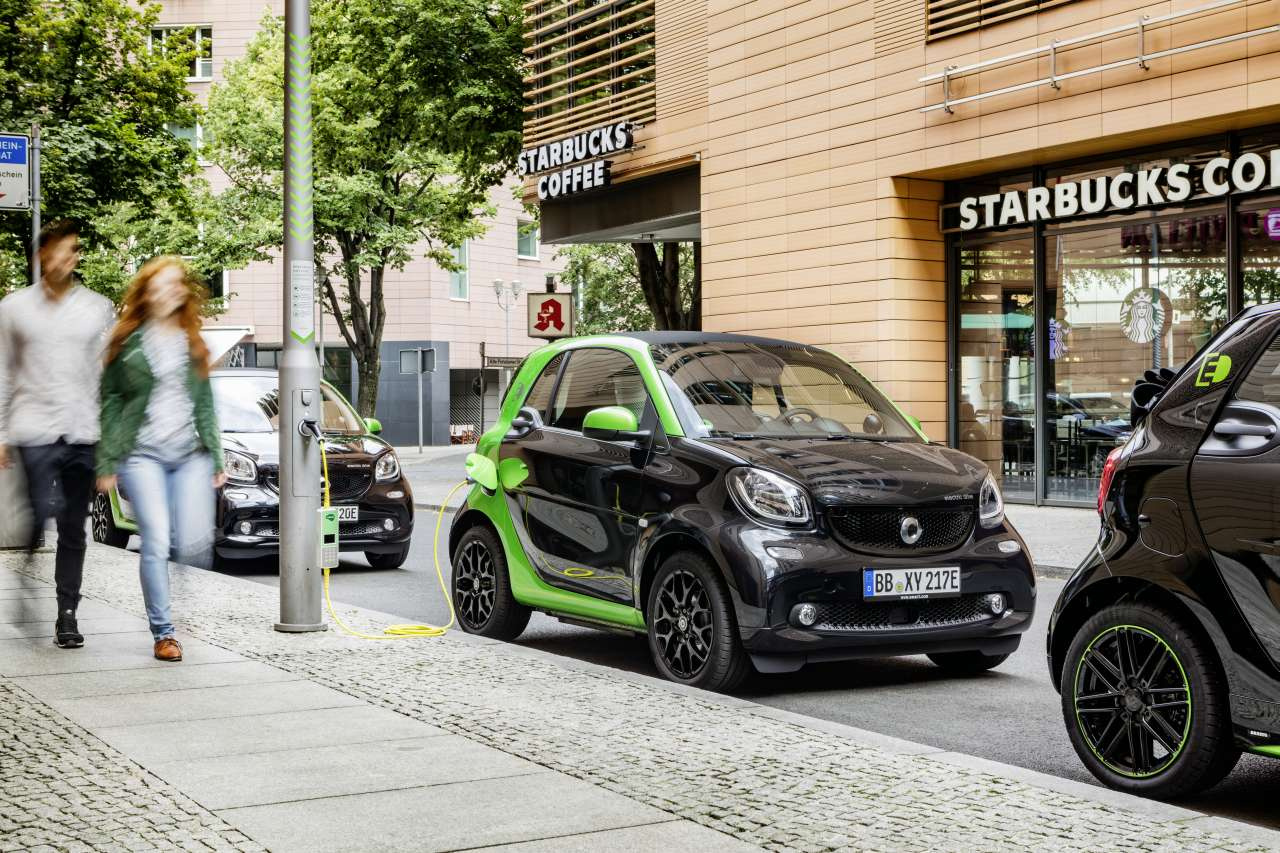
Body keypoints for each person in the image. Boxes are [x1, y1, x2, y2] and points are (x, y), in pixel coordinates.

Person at [96, 256, 225, 662]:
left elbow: (204, 404)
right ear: (147, 294)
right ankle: (164, 633)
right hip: (142, 454)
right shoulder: (128, 343)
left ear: (182, 292)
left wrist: (217, 455)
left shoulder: (193, 342)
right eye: (159, 286)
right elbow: (111, 402)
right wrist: (106, 461)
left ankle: (179, 602)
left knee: (193, 544)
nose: (168, 292)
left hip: (189, 456)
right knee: (155, 540)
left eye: (174, 284)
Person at [0, 220, 114, 648]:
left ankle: (67, 614)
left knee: (72, 527)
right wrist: (2, 432)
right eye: (61, 250)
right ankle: (29, 562)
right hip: (33, 429)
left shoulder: (97, 308)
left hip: (82, 431)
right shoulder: (14, 308)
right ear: (42, 256)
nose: (69, 258)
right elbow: (4, 371)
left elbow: (103, 377)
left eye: (74, 250)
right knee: (38, 509)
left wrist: (108, 442)